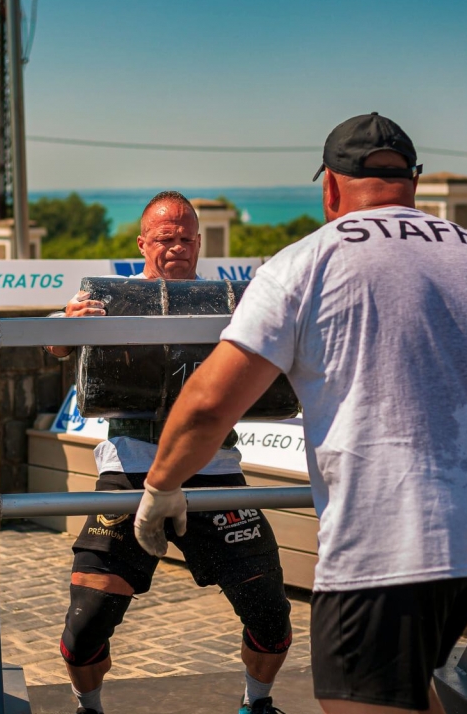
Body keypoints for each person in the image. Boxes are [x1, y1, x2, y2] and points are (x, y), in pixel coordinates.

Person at [136, 114, 467, 714]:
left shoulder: (303, 264)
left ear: (331, 189)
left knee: (356, 698)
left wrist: (161, 487)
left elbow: (209, 405)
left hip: (385, 545)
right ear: (412, 182)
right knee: (401, 688)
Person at [45, 190, 295, 714]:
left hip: (213, 471)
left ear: (199, 243)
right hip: (132, 470)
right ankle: (88, 707)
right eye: (165, 238)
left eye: (185, 238)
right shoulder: (108, 299)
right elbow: (55, 343)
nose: (177, 246)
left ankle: (257, 704)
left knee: (271, 614)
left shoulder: (231, 303)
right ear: (142, 243)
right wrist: (66, 323)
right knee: (85, 624)